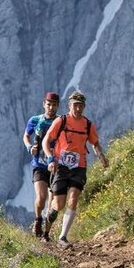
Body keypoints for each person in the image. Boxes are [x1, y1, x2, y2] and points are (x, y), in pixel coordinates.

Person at [42, 91, 108, 247]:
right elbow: (46, 140)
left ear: (84, 107)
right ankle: (46, 232)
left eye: (80, 106)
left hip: (79, 166)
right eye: (75, 106)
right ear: (70, 105)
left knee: (73, 199)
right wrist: (51, 158)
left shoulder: (88, 124)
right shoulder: (61, 121)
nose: (78, 109)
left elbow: (95, 143)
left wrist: (101, 157)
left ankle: (63, 237)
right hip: (61, 166)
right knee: (58, 204)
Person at [23, 92, 60, 239]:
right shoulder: (35, 120)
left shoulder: (60, 122)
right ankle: (38, 220)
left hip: (56, 165)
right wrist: (29, 147)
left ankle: (46, 233)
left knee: (53, 201)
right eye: (48, 104)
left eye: (54, 105)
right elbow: (26, 135)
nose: (50, 107)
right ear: (43, 104)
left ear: (57, 106)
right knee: (42, 197)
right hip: (39, 164)